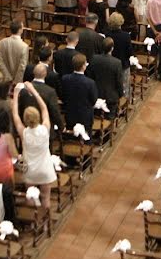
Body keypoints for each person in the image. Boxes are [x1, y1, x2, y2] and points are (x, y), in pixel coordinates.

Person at [10, 80, 57, 209]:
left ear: (25, 119)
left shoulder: (24, 132)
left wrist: (15, 94)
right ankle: (45, 223)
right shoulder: (45, 128)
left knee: (30, 196)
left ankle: (32, 219)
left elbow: (14, 114)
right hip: (44, 168)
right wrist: (34, 91)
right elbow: (44, 108)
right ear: (38, 118)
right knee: (46, 197)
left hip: (30, 169)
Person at [17, 63, 63, 139]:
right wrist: (61, 126)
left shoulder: (24, 90)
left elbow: (20, 109)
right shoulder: (50, 91)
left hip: (26, 128)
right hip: (44, 130)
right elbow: (54, 111)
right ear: (45, 74)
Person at [61, 53, 99, 137]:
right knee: (86, 137)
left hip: (70, 114)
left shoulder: (65, 79)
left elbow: (62, 95)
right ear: (83, 66)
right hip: (85, 116)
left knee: (70, 136)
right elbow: (94, 100)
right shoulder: (90, 83)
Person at [86, 37, 124, 118]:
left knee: (96, 116)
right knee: (109, 117)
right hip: (111, 96)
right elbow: (119, 81)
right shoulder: (117, 63)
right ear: (112, 48)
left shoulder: (94, 58)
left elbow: (89, 75)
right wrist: (121, 94)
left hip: (96, 93)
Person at [105, 12, 133, 97]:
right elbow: (130, 52)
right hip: (123, 64)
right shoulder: (126, 36)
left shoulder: (107, 35)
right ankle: (124, 102)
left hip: (110, 64)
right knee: (124, 85)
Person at [0, 21, 28, 85]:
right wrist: (16, 81)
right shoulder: (24, 46)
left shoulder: (2, 42)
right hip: (16, 81)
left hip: (4, 77)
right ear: (20, 30)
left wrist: (7, 76)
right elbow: (22, 67)